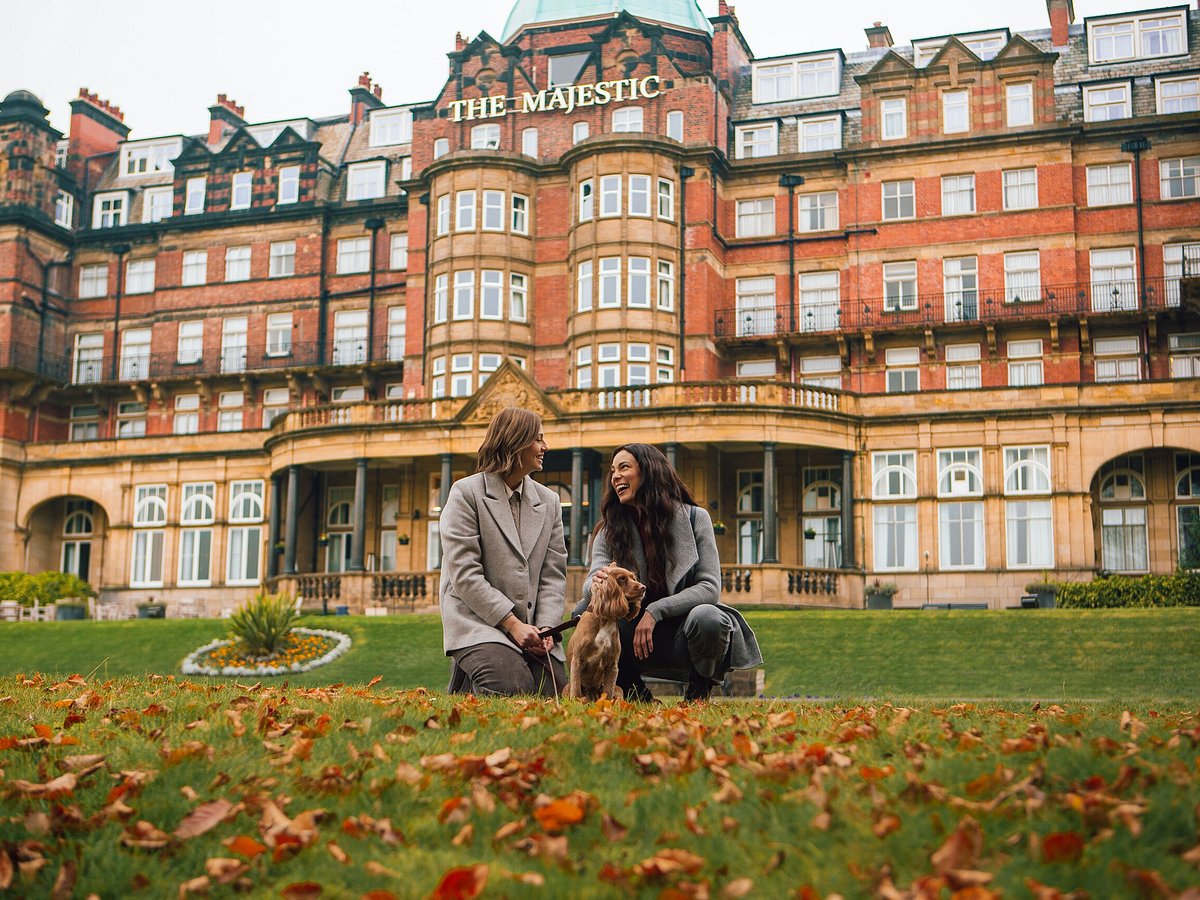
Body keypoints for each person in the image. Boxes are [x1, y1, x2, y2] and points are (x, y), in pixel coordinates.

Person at [574, 443, 762, 702]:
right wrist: (599, 581)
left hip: (683, 631)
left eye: (624, 467)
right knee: (583, 611)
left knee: (709, 617)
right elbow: (589, 587)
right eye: (612, 470)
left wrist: (656, 610)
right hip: (630, 632)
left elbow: (709, 587)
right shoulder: (610, 528)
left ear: (649, 472)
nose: (615, 476)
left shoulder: (697, 518)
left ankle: (697, 694)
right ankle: (637, 695)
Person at [441, 407, 567, 696]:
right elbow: (465, 575)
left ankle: (472, 678)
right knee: (511, 686)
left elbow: (553, 576)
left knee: (555, 695)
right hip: (477, 621)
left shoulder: (550, 502)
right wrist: (512, 624)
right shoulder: (466, 494)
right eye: (538, 439)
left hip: (533, 628)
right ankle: (472, 673)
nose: (545, 447)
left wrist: (546, 628)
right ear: (516, 442)